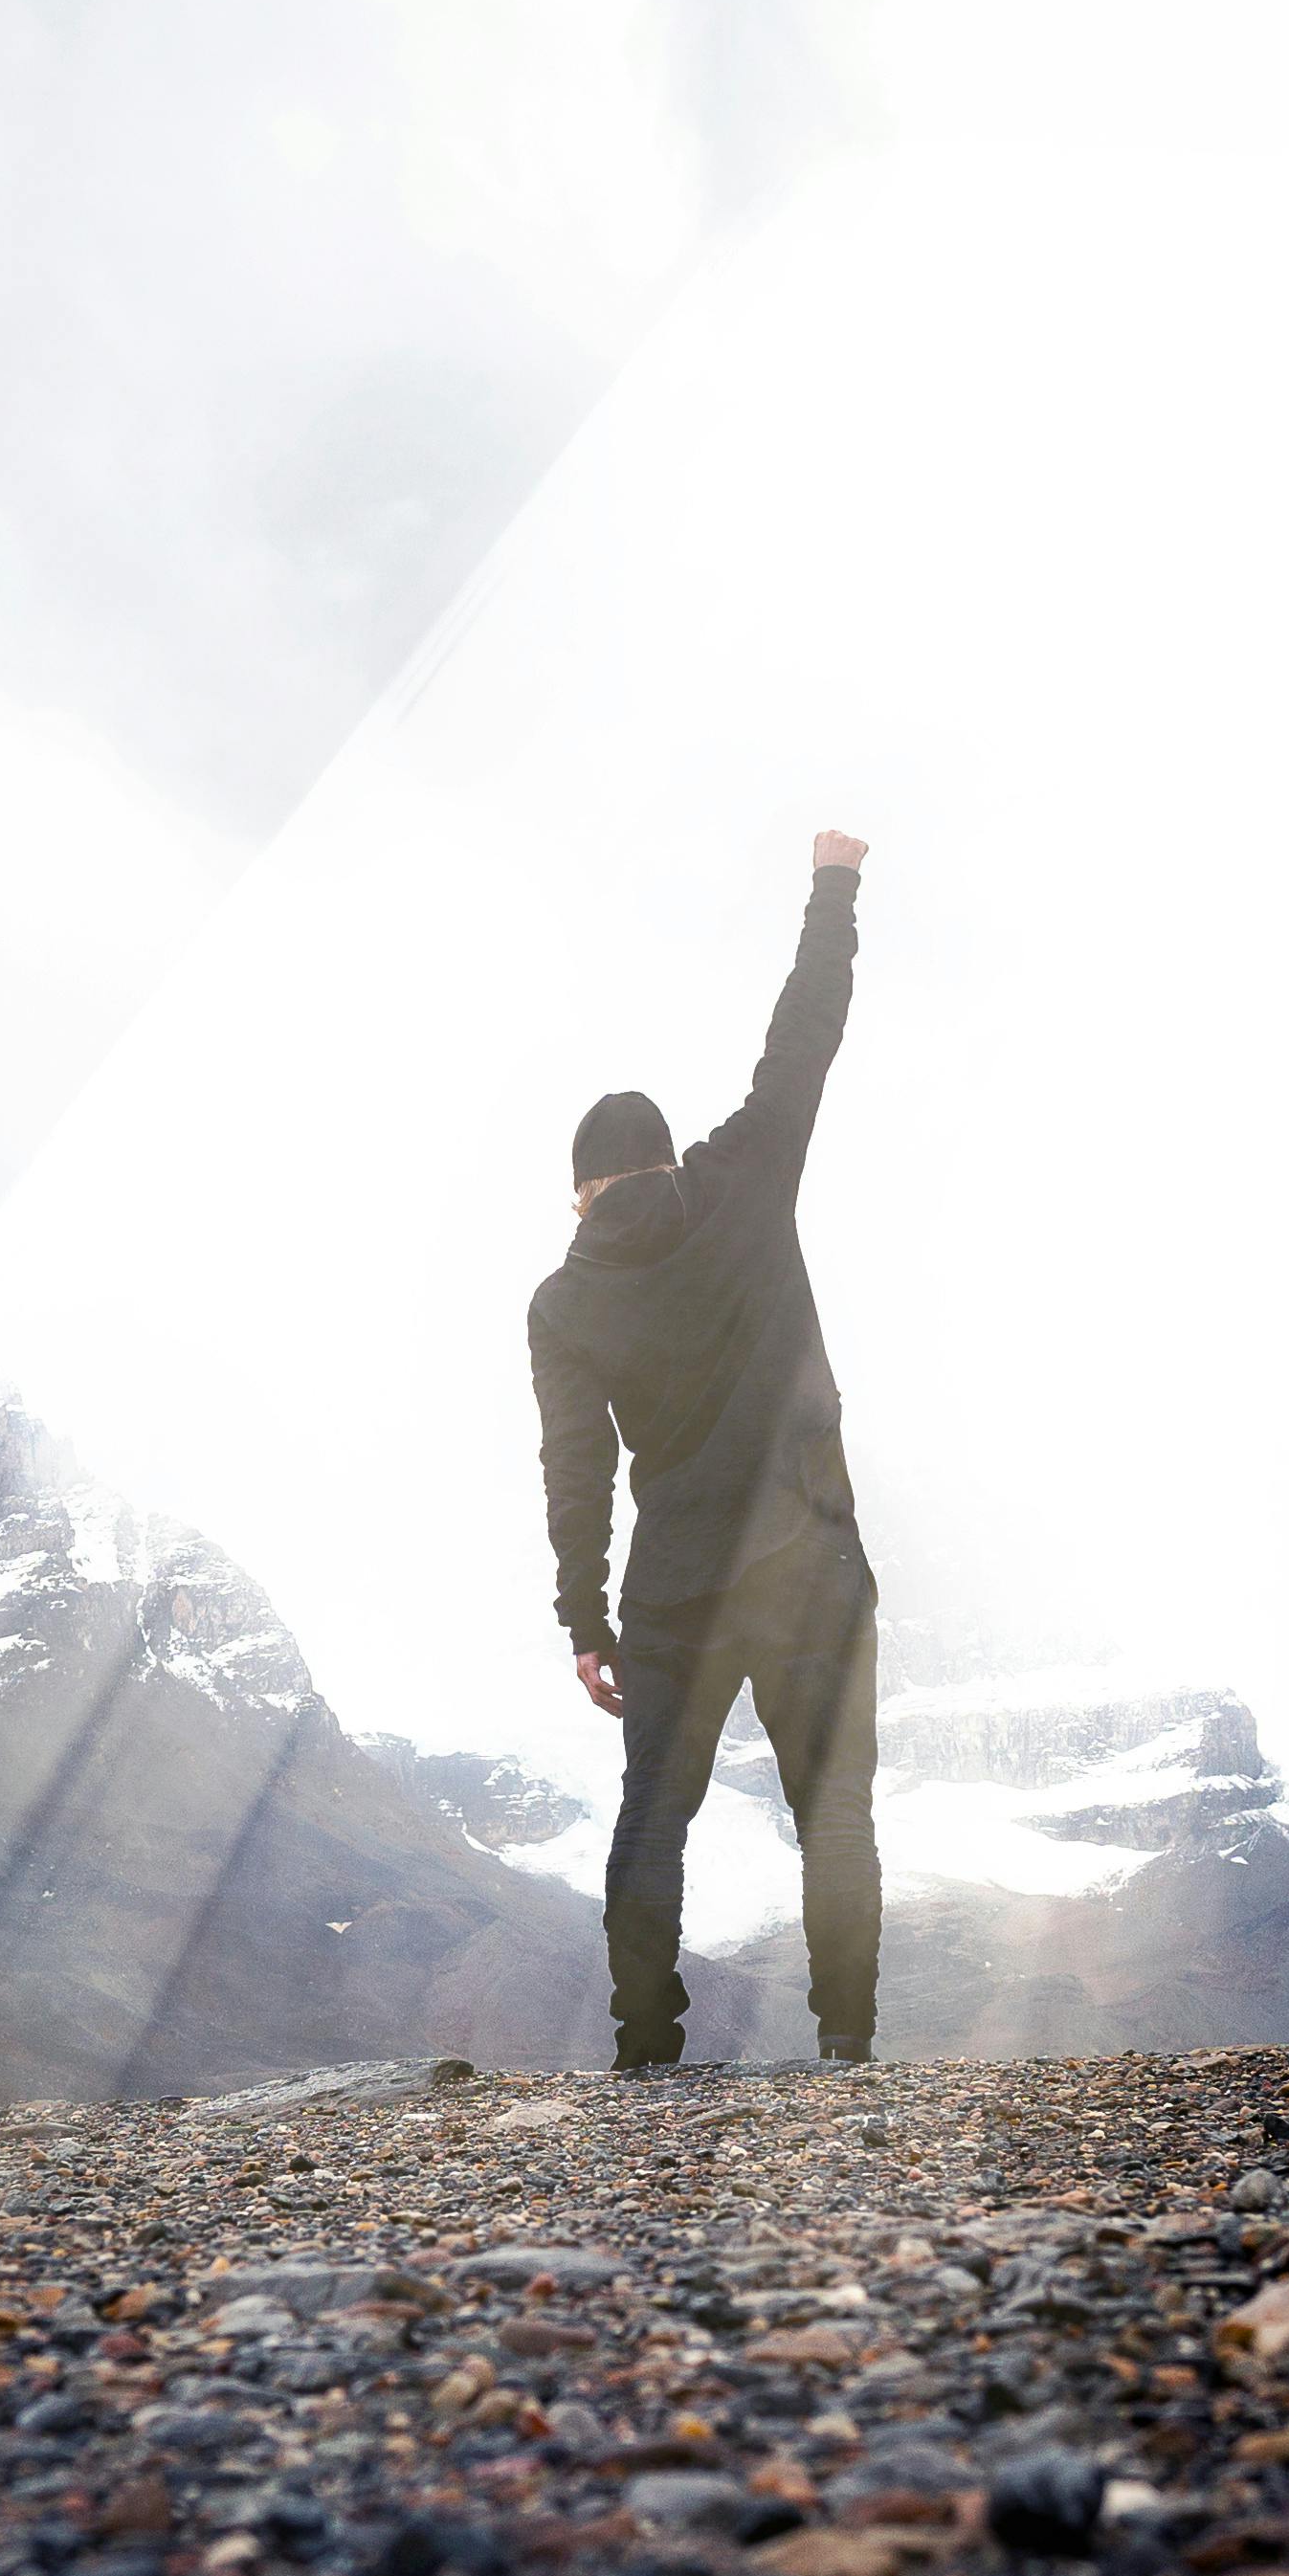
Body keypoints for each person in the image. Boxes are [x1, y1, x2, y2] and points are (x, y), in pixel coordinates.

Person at [528, 829, 882, 2070]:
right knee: (832, 1810)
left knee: (653, 1815)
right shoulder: (740, 1179)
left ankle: (644, 2050)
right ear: (668, 1158)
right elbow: (803, 1038)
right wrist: (833, 887)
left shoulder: (563, 1302)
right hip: (808, 1553)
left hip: (675, 1586)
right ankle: (845, 2044)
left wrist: (585, 1621)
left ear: (582, 1189)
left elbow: (575, 1471)